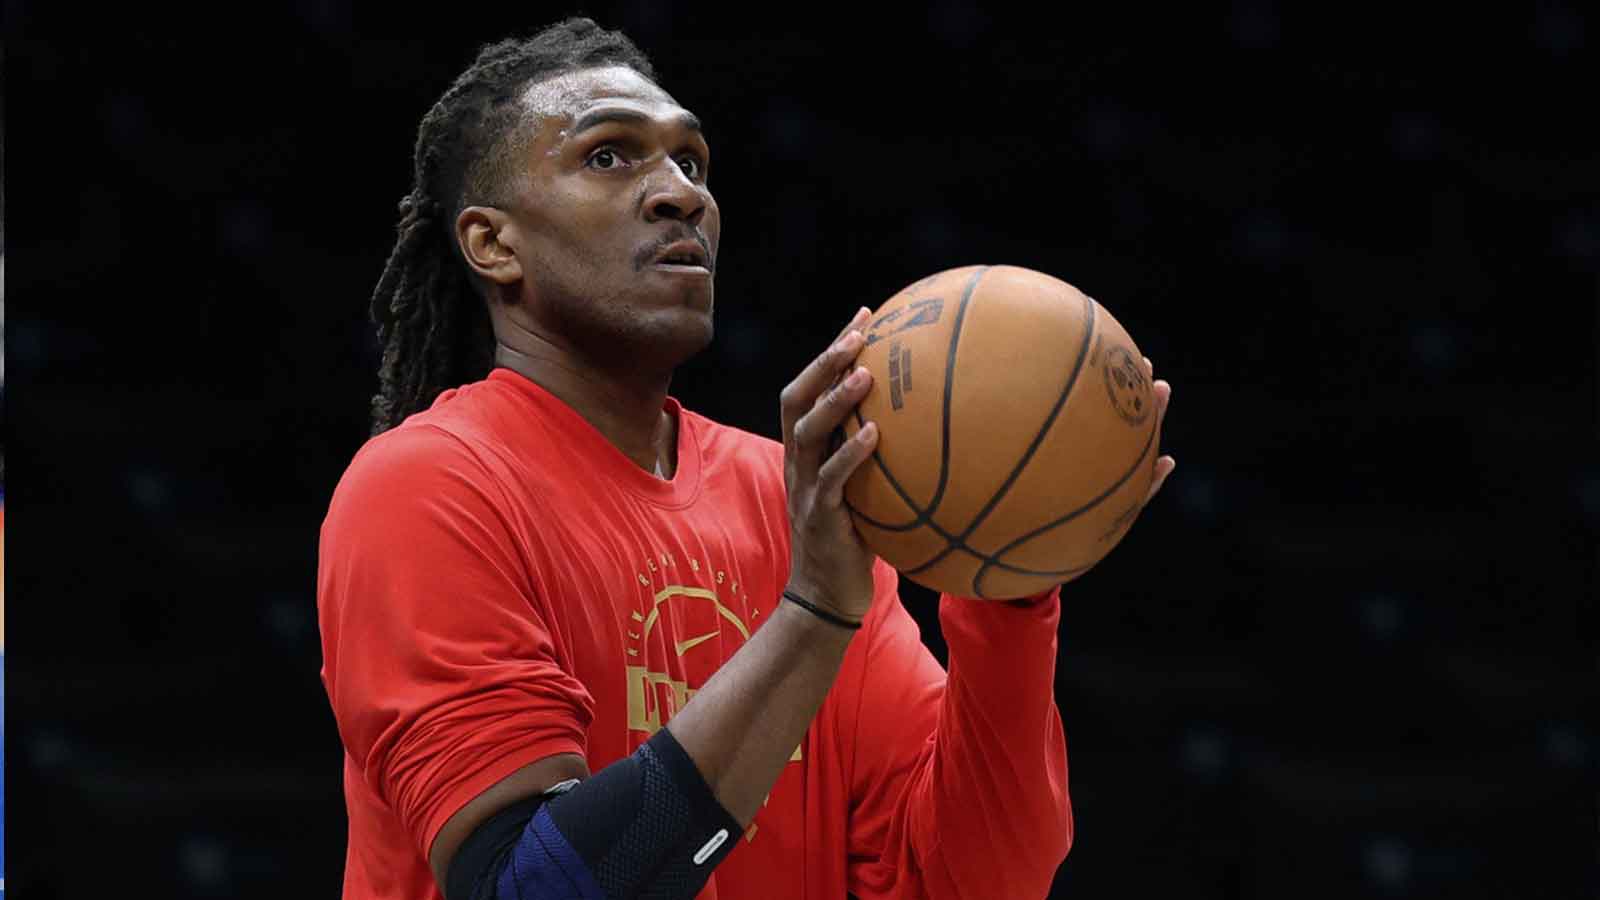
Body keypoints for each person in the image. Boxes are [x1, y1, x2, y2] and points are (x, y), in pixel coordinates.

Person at [317, 18, 1175, 900]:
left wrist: (1012, 576)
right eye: (609, 156)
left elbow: (968, 880)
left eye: (692, 161)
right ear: (494, 244)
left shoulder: (794, 502)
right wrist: (809, 616)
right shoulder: (428, 486)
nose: (680, 194)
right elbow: (531, 888)